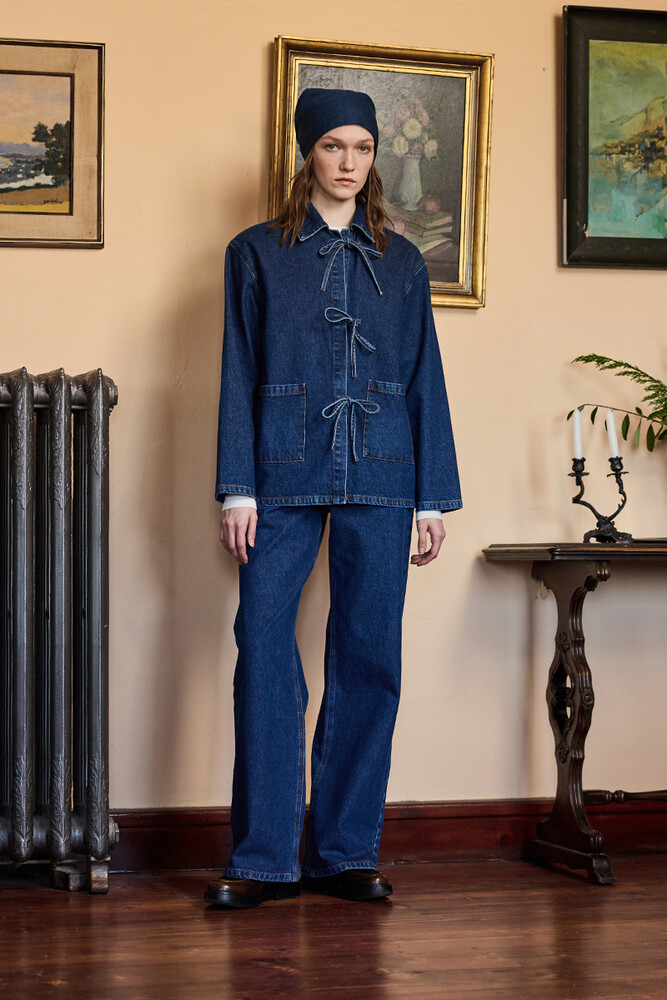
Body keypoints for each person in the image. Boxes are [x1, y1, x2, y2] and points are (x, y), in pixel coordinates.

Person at [206, 88, 461, 909]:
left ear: (375, 155)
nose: (348, 163)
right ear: (306, 153)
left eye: (362, 147)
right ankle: (261, 858)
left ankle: (345, 852)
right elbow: (237, 369)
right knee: (263, 652)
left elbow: (423, 378)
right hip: (279, 469)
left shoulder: (402, 261)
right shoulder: (255, 252)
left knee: (368, 657)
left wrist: (430, 499)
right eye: (331, 146)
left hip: (384, 470)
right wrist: (237, 486)